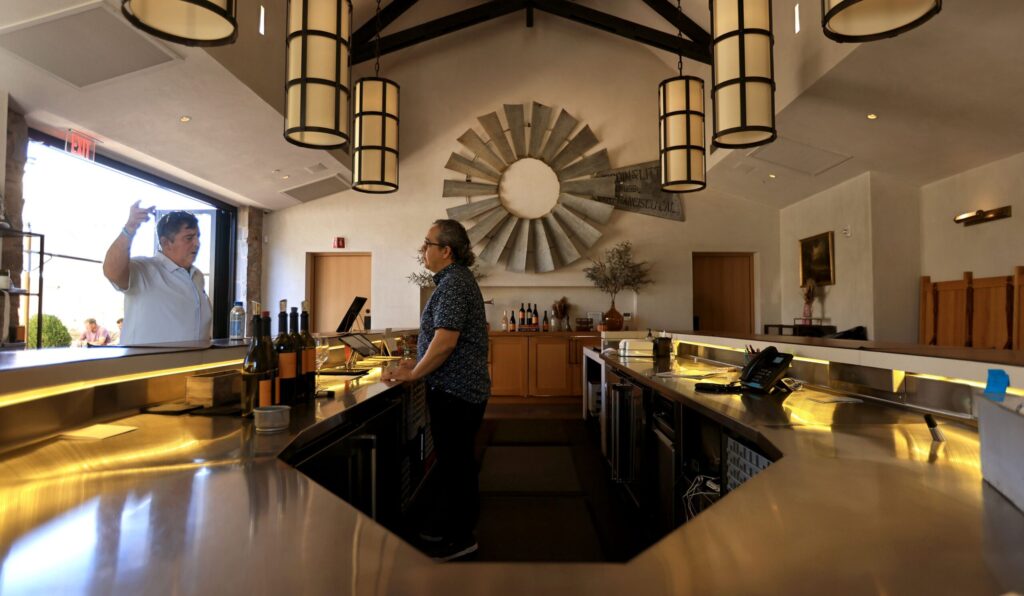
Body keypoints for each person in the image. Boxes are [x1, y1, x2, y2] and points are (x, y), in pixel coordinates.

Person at [385, 219, 490, 561]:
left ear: (446, 251)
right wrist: (414, 367)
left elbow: (445, 342)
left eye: (427, 243)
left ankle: (460, 539)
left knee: (456, 465)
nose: (422, 250)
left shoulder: (455, 283)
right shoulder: (452, 281)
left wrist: (414, 373)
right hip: (458, 390)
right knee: (454, 463)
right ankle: (450, 529)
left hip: (457, 392)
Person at [102, 203, 212, 346]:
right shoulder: (145, 269)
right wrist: (129, 229)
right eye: (189, 238)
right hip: (148, 366)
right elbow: (112, 271)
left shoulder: (197, 276)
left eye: (198, 237)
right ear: (166, 243)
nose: (197, 243)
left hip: (191, 366)